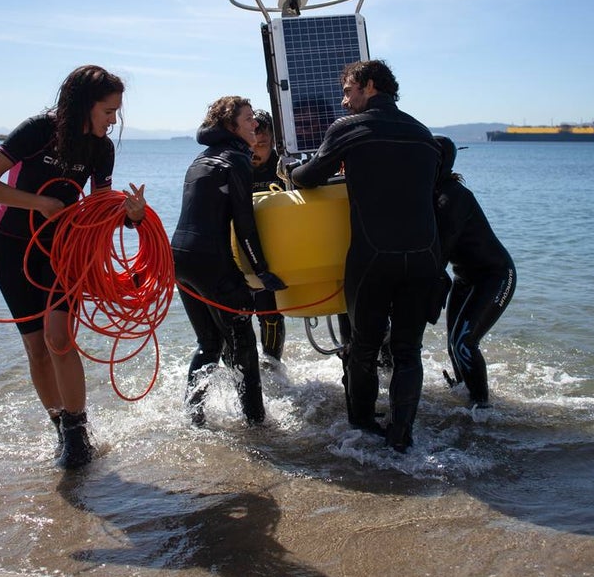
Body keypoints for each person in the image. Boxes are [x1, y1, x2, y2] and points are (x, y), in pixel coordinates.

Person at [0, 65, 146, 470]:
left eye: (117, 111)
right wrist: (41, 204)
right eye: (108, 111)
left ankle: (78, 433)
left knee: (59, 337)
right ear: (84, 105)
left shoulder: (102, 148)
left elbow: (101, 210)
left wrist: (130, 216)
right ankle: (60, 426)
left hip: (64, 248)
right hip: (12, 245)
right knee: (36, 347)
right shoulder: (36, 131)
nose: (114, 121)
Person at [286, 59, 440, 452]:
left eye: (348, 91)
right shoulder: (423, 133)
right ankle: (402, 438)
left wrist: (289, 170)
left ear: (369, 86)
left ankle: (362, 430)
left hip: (374, 258)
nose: (343, 101)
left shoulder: (350, 128)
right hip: (424, 258)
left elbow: (310, 176)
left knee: (364, 348)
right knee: (408, 351)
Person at [172, 96, 286, 427]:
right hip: (211, 262)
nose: (255, 124)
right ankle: (256, 422)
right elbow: (244, 223)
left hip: (178, 260)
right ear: (230, 125)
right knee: (243, 341)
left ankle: (193, 418)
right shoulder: (236, 159)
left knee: (209, 343)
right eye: (248, 119)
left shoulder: (201, 158)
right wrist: (262, 272)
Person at [432, 136, 516, 407]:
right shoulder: (434, 190)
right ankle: (465, 393)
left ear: (437, 161)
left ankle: (482, 408)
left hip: (496, 276)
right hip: (465, 277)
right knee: (454, 344)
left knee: (464, 343)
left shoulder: (451, 197)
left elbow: (439, 254)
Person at [248, 109, 286, 362]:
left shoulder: (283, 166)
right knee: (239, 313)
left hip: (274, 249)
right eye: (252, 142)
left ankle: (273, 366)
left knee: (270, 314)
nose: (257, 148)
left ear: (273, 140)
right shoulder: (237, 165)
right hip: (243, 247)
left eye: (263, 143)